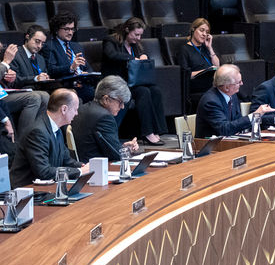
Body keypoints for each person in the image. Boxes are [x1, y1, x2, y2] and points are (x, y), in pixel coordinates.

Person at [102, 17, 166, 146]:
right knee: (143, 92)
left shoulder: (136, 45)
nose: (138, 38)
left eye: (140, 35)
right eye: (136, 34)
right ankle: (147, 133)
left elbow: (140, 59)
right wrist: (132, 58)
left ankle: (158, 130)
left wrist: (143, 57)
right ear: (127, 29)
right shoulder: (111, 40)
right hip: (116, 82)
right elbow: (112, 55)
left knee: (155, 90)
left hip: (131, 82)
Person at [9, 89, 89, 187]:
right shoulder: (37, 132)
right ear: (64, 109)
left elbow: (66, 160)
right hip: (28, 191)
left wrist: (82, 166)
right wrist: (79, 171)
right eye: (75, 109)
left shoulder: (56, 128)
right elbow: (43, 172)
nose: (76, 113)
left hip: (47, 187)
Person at [70, 76, 139, 162]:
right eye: (120, 102)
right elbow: (117, 156)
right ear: (106, 99)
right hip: (97, 168)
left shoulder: (82, 109)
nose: (122, 107)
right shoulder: (104, 118)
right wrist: (127, 151)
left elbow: (108, 147)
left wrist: (123, 147)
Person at [196, 64, 272, 137]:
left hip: (228, 142)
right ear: (226, 87)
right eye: (238, 82)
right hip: (210, 146)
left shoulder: (232, 95)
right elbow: (225, 129)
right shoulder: (210, 102)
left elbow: (237, 121)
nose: (242, 83)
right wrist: (254, 115)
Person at [0, 42, 48, 134]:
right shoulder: (7, 59)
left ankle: (41, 135)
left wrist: (10, 77)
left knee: (44, 95)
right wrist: (6, 62)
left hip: (5, 93)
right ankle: (24, 139)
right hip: (1, 99)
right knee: (33, 97)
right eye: (37, 41)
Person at [178, 18, 221, 99]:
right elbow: (186, 75)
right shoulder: (184, 49)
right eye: (201, 30)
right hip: (196, 84)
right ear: (193, 30)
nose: (204, 34)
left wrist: (210, 47)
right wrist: (206, 71)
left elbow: (217, 66)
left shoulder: (206, 48)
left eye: (207, 32)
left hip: (210, 81)